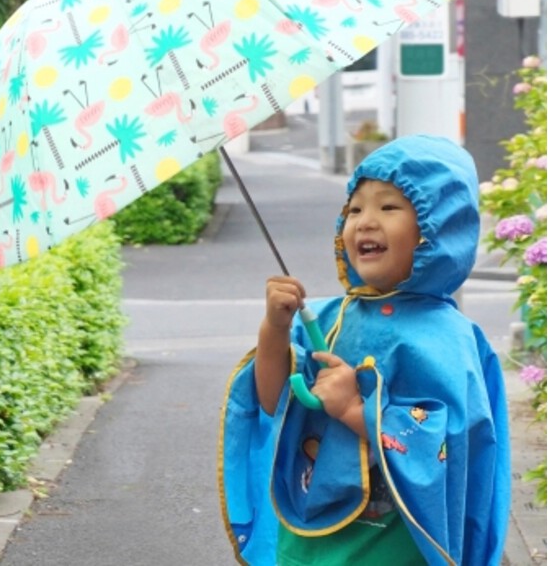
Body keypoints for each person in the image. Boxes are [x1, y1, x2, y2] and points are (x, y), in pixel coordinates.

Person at [218, 135, 510, 566]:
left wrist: (357, 410)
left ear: (438, 227)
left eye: (388, 207)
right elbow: (271, 403)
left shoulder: (450, 338)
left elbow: (451, 446)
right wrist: (275, 331)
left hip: (396, 544)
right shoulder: (322, 317)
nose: (364, 222)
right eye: (354, 209)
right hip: (308, 535)